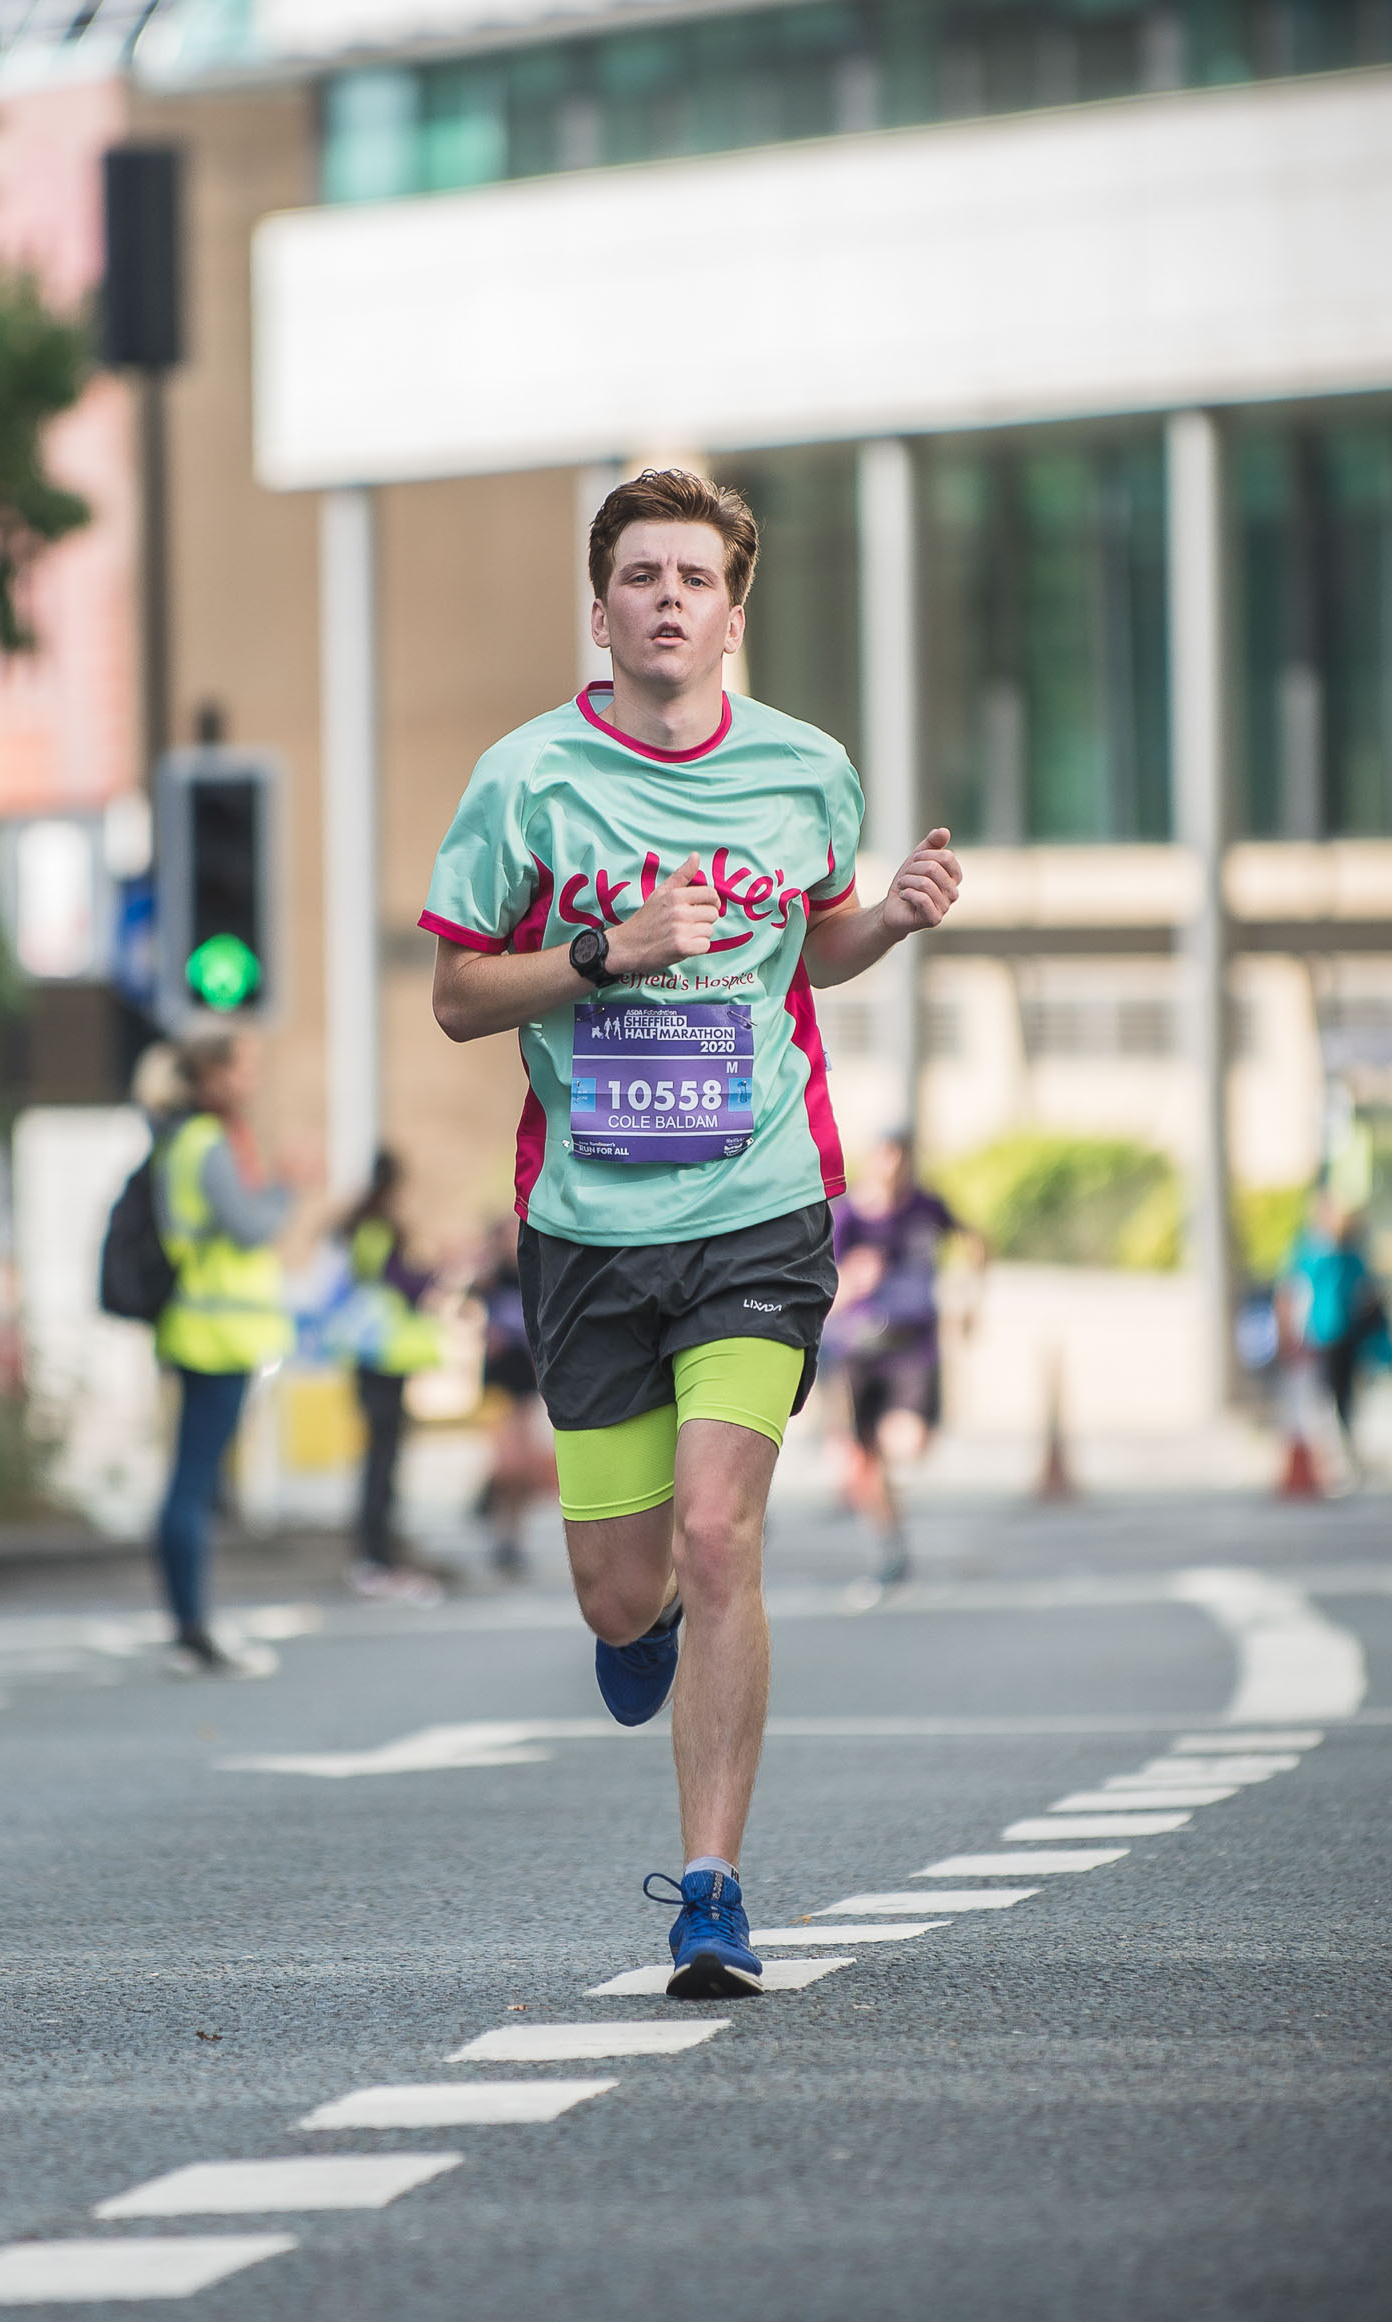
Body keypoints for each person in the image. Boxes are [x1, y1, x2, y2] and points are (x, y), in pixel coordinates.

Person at [421, 466, 961, 1997]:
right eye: (641, 577)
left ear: (733, 610)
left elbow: (813, 952)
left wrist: (894, 921)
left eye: (696, 578)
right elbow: (462, 996)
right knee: (624, 1589)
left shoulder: (807, 772)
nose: (669, 598)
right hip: (587, 1223)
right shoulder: (526, 777)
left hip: (759, 1205)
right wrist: (603, 950)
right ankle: (633, 1618)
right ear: (600, 614)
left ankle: (713, 1891)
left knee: (723, 1533)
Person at [150, 1030, 300, 1673]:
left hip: (206, 1333)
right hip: (215, 1337)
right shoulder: (207, 1144)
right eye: (244, 1068)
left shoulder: (187, 1139)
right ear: (212, 1077)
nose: (253, 1080)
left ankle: (191, 1623)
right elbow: (250, 1227)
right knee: (193, 1482)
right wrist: (289, 1187)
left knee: (195, 1479)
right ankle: (192, 1627)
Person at [825, 1132, 984, 1586]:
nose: (892, 1167)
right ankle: (890, 1545)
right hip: (859, 1347)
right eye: (883, 1156)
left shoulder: (928, 1208)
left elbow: (976, 1244)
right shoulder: (849, 1217)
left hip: (915, 1344)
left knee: (906, 1445)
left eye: (901, 1157)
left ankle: (885, 1500)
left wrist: (973, 1301)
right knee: (861, 1459)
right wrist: (853, 1281)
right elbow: (822, 1290)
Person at [333, 1149, 443, 1602]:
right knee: (384, 1459)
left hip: (367, 1356)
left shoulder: (357, 1221)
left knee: (377, 1458)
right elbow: (397, 1282)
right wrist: (432, 1276)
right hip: (385, 1357)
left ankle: (374, 1554)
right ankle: (376, 1558)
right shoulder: (379, 1226)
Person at [1278, 1189, 1385, 1482]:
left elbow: (1366, 1293)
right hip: (1318, 1334)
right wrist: (1289, 1333)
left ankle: (1344, 1454)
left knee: (1344, 1395)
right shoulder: (1311, 1252)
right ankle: (1328, 1458)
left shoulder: (1350, 1255)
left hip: (1346, 1335)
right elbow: (1291, 1291)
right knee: (1322, 1397)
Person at [470, 1213, 553, 1578]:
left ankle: (512, 1539)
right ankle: (494, 1517)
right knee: (510, 1464)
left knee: (522, 1472)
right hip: (498, 1383)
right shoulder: (490, 1279)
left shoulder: (532, 1272)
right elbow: (463, 1309)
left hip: (527, 1381)